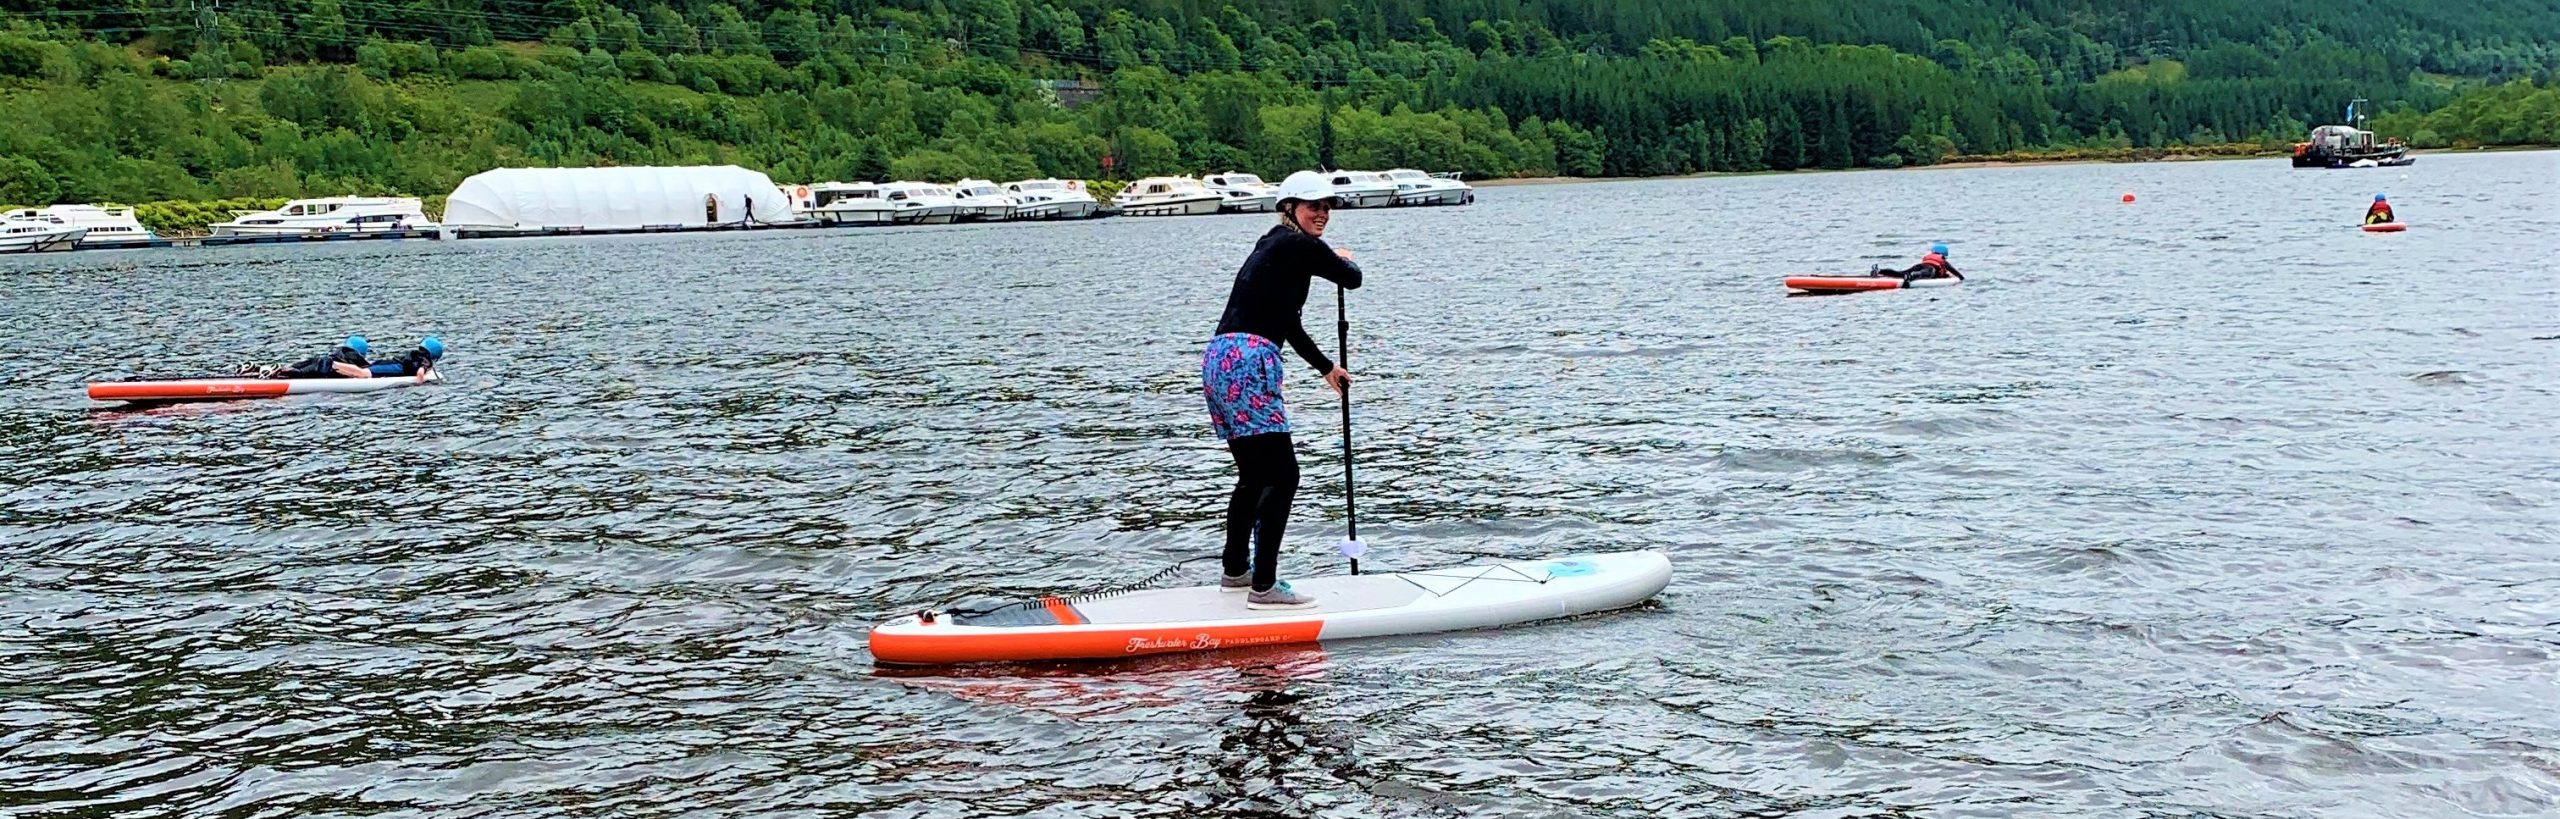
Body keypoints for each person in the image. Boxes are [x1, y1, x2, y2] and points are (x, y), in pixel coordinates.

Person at [1203, 170, 1363, 610]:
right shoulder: (1296, 244)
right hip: (1250, 361)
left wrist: (1326, 367)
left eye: (1328, 207)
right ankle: (1265, 587)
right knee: (1284, 475)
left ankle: (1236, 571)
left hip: (1221, 358)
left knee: (1255, 475)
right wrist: (1335, 256)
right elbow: (1353, 278)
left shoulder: (1273, 245)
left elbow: (1287, 321)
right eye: (1314, 207)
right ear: (1290, 207)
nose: (1323, 214)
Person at [259, 336, 374, 379]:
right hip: (324, 368)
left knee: (296, 367)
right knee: (300, 373)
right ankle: (283, 372)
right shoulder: (357, 360)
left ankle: (273, 369)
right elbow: (362, 370)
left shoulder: (339, 351)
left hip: (318, 360)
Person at [1875, 243, 1964, 282]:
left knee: (1901, 273)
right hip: (1929, 269)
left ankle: (1880, 271)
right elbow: (1955, 272)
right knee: (1924, 273)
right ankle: (1912, 276)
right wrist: (1961, 278)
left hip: (1919, 266)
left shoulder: (1929, 257)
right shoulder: (1943, 261)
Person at [366, 336, 445, 379]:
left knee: (367, 368)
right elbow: (420, 372)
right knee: (364, 373)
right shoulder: (426, 361)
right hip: (398, 369)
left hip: (392, 362)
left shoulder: (416, 353)